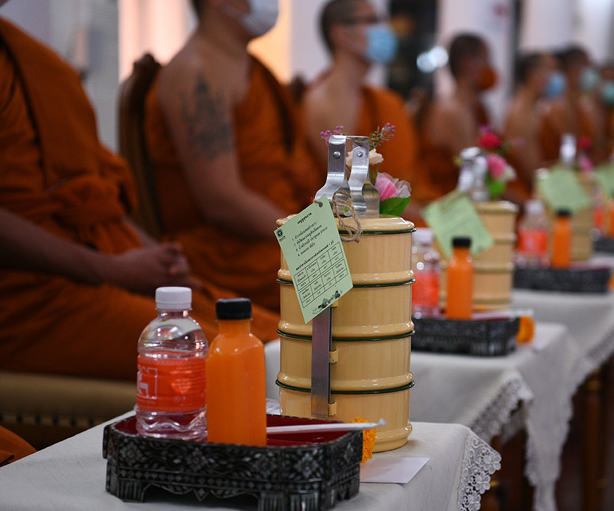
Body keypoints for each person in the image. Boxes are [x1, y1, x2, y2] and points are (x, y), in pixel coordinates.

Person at [0, 3, 278, 383]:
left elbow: (98, 198)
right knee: (238, 362)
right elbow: (224, 201)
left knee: (276, 339)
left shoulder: (27, 54)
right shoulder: (194, 74)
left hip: (114, 256)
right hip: (26, 291)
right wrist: (112, 269)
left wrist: (149, 258)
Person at [145, 0, 319, 313]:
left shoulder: (247, 66)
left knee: (379, 264)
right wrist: (309, 241)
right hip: (229, 252)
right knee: (356, 285)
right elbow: (222, 201)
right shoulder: (196, 72)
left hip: (274, 232)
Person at [302, 0, 423, 192]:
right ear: (340, 34)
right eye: (372, 21)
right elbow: (356, 188)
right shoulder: (323, 101)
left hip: (401, 200)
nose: (384, 29)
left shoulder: (378, 99)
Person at [418, 33, 498, 201]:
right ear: (468, 63)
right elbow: (474, 176)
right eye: (486, 60)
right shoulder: (452, 111)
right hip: (447, 201)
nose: (490, 69)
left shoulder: (475, 108)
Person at [538, 45, 602, 164]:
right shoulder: (558, 107)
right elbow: (572, 149)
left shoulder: (578, 103)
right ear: (573, 70)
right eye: (587, 68)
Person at [503, 52, 553, 201]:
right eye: (550, 70)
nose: (554, 78)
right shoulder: (521, 113)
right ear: (532, 75)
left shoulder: (533, 108)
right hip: (527, 194)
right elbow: (530, 170)